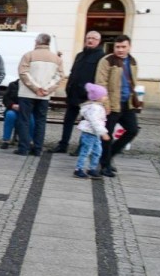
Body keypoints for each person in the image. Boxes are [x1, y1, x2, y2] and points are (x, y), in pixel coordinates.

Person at [96, 34, 141, 177]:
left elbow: (133, 81)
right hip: (111, 104)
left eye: (123, 47)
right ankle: (105, 165)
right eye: (118, 47)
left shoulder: (132, 61)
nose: (120, 50)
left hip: (127, 103)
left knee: (132, 130)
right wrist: (105, 103)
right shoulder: (107, 60)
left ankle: (107, 157)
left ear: (129, 47)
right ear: (113, 47)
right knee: (107, 135)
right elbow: (100, 82)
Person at [53, 31, 105, 154]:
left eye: (94, 38)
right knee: (68, 121)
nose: (90, 40)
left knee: (87, 123)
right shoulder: (80, 55)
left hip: (88, 97)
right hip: (74, 94)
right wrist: (68, 87)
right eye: (88, 38)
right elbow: (73, 72)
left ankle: (82, 147)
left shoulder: (101, 57)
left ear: (99, 41)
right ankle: (63, 144)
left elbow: (99, 78)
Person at [14, 33, 64, 156]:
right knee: (40, 121)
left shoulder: (28, 55)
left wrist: (35, 88)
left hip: (27, 94)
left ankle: (24, 147)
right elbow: (59, 77)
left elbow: (23, 73)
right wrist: (46, 88)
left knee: (24, 120)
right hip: (44, 95)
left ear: (37, 42)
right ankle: (37, 148)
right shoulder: (56, 59)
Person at [73, 83, 110, 179]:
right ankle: (79, 169)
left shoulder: (97, 107)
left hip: (95, 133)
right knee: (86, 151)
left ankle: (92, 168)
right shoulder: (95, 108)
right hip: (90, 133)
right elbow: (95, 122)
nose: (106, 97)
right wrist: (103, 132)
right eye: (104, 96)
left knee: (97, 151)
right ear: (98, 97)